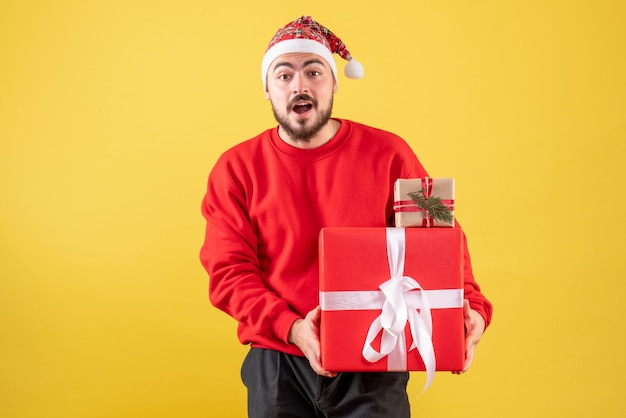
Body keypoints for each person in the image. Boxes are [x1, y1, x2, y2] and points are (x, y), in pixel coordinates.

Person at [200, 15, 493, 418]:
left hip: (375, 356)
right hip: (279, 361)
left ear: (334, 83)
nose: (299, 86)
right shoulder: (235, 169)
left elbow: (442, 239)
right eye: (283, 75)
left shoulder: (392, 154)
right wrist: (292, 327)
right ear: (267, 89)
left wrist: (472, 305)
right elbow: (228, 271)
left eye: (313, 72)